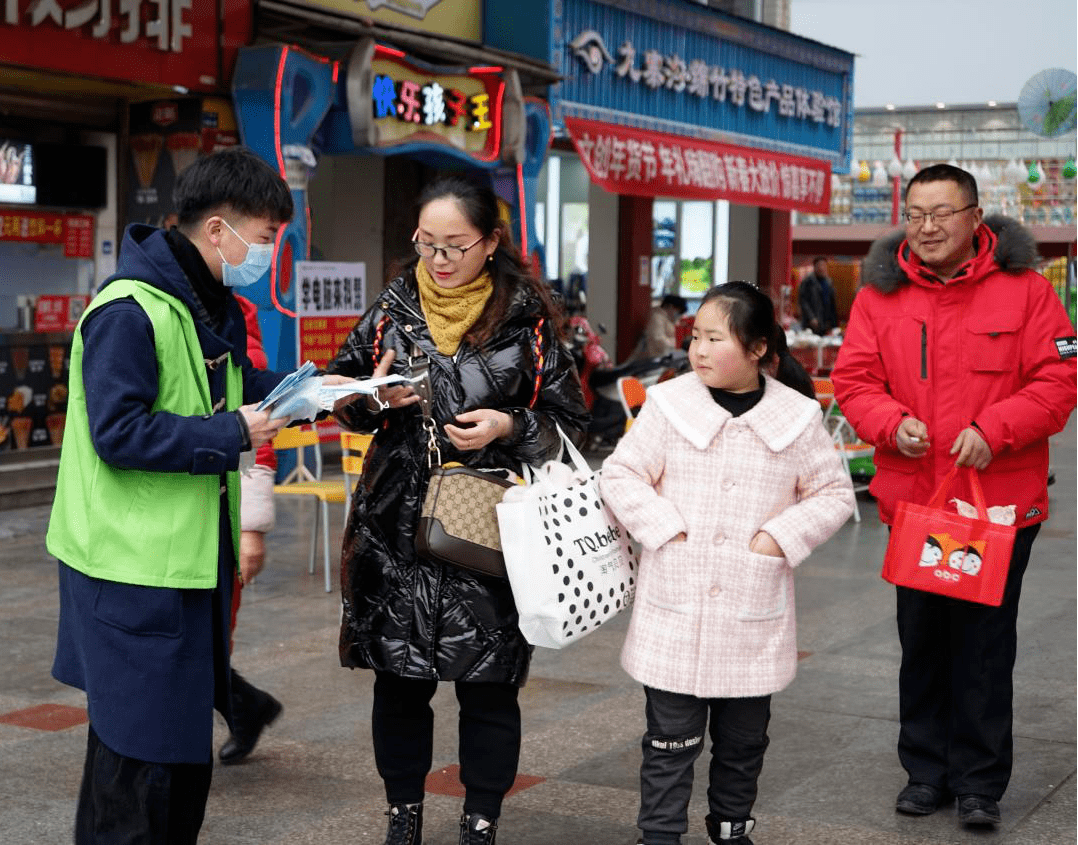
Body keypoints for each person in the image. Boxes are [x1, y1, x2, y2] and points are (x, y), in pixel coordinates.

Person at [45, 147, 343, 844]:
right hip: (127, 572)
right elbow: (119, 431)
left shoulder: (207, 306)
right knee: (134, 761)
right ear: (218, 231)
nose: (269, 253)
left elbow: (245, 380)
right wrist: (233, 430)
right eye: (266, 238)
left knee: (173, 758)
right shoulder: (127, 311)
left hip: (181, 565)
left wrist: (332, 392)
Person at [326, 176, 589, 845]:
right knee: (399, 682)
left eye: (455, 246)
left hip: (491, 531)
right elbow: (346, 389)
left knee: (490, 687)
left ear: (491, 243)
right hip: (395, 529)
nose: (438, 260)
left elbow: (572, 423)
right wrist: (371, 399)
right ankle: (403, 815)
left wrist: (508, 424)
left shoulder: (525, 322)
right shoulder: (392, 309)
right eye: (427, 243)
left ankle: (480, 821)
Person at [831, 164, 1077, 829]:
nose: (928, 226)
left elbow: (1060, 380)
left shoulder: (1025, 291)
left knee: (984, 644)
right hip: (917, 499)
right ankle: (925, 770)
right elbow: (853, 380)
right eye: (915, 213)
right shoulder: (881, 296)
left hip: (997, 503)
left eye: (942, 212)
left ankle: (979, 782)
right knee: (922, 639)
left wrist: (992, 431)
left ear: (975, 215)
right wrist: (890, 423)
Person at [599, 282, 855, 845]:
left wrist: (778, 537)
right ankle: (659, 834)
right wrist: (667, 530)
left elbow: (834, 494)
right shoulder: (671, 405)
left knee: (743, 742)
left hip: (750, 608)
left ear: (759, 348)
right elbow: (620, 474)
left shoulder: (797, 417)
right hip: (677, 602)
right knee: (669, 740)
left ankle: (732, 827)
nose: (700, 351)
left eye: (716, 339)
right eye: (696, 338)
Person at [219, 294, 284, 765]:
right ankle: (246, 705)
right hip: (167, 511)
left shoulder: (230, 312)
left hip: (222, 511)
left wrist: (251, 527)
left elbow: (258, 418)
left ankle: (245, 706)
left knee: (206, 638)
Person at [631, 293, 688, 359]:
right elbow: (658, 340)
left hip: (664, 355)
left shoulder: (667, 318)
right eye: (678, 311)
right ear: (670, 306)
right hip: (654, 357)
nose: (678, 314)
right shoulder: (656, 317)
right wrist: (679, 343)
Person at [798, 256, 839, 335]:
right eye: (819, 265)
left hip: (825, 323)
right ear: (815, 267)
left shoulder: (828, 282)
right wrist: (811, 317)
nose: (821, 268)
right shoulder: (808, 282)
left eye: (823, 265)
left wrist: (833, 323)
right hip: (812, 323)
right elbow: (803, 301)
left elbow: (832, 303)